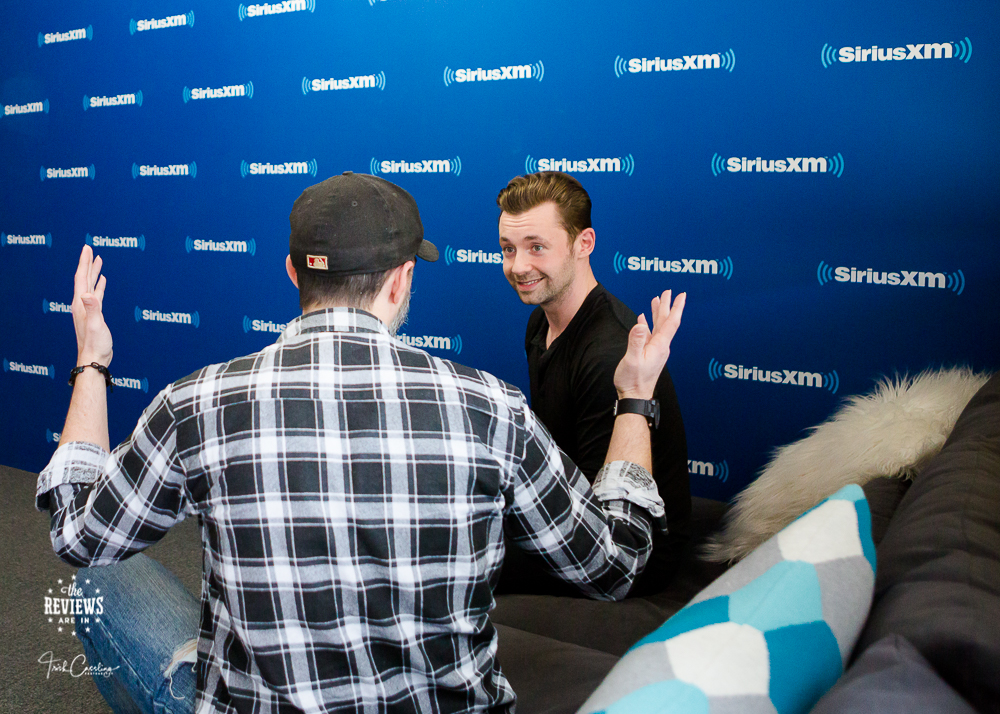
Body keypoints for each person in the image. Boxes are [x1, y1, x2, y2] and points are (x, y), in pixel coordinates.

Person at [37, 171, 687, 713]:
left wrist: (91, 364)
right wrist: (634, 400)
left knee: (105, 582)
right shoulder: (495, 409)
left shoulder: (193, 405)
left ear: (294, 273)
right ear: (402, 280)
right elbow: (618, 562)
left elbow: (76, 533)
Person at [496, 171, 691, 596]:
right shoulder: (540, 321)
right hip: (579, 520)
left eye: (536, 248)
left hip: (632, 557)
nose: (518, 266)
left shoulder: (607, 353)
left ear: (584, 244)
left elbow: (606, 529)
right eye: (508, 249)